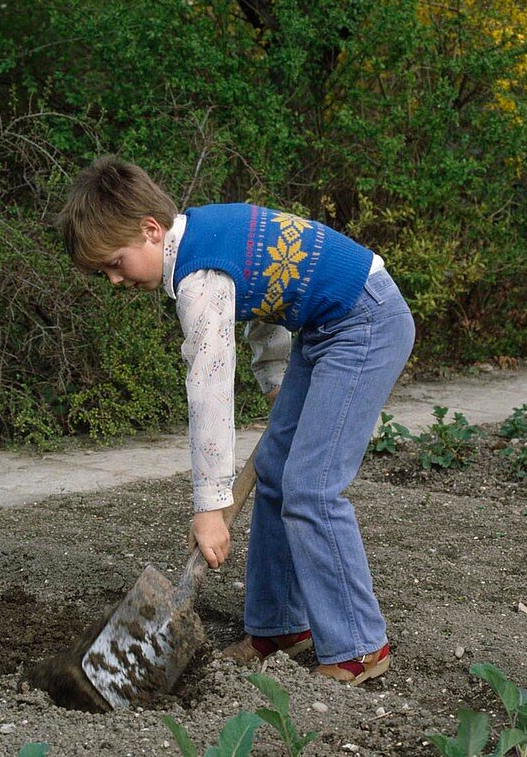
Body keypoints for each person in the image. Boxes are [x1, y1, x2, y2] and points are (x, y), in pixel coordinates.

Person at [57, 157, 415, 685]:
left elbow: (210, 391)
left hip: (365, 321)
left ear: (149, 231)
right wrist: (275, 377)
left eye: (115, 262)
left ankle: (359, 647)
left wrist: (211, 504)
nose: (113, 279)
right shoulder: (206, 236)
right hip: (324, 329)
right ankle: (280, 626)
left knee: (311, 488)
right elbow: (272, 282)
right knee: (274, 472)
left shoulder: (199, 279)